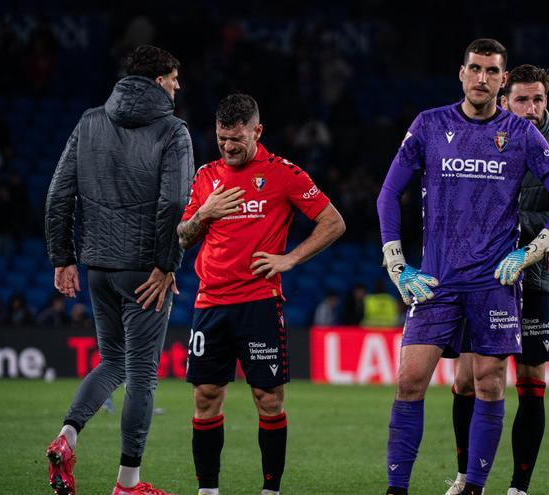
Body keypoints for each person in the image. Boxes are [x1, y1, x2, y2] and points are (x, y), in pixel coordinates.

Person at [377, 39, 549, 495]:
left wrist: (532, 251)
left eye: (492, 71)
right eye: (476, 69)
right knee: (409, 379)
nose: (482, 78)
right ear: (462, 73)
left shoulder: (523, 134)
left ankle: (474, 487)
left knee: (490, 383)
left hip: (494, 283)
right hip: (438, 280)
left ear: (502, 79)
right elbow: (389, 193)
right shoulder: (429, 125)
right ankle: (397, 489)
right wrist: (395, 261)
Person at [177, 93, 345, 495]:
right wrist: (205, 213)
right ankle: (208, 490)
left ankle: (270, 490)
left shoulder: (283, 173)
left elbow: (333, 222)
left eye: (236, 139)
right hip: (210, 303)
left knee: (268, 399)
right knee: (206, 396)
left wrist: (290, 259)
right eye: (222, 139)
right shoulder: (205, 177)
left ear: (257, 131)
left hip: (259, 303)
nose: (229, 147)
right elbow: (183, 239)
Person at [44, 44, 193, 495]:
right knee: (143, 375)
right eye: (173, 78)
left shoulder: (89, 121)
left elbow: (57, 195)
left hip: (98, 268)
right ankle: (127, 484)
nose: (178, 86)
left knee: (112, 362)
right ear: (158, 81)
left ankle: (67, 437)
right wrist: (167, 265)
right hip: (145, 272)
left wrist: (62, 257)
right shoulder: (173, 131)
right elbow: (173, 202)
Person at [445, 64, 549, 495]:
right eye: (523, 99)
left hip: (535, 279)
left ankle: (518, 486)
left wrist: (511, 224)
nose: (532, 108)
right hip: (480, 279)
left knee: (530, 383)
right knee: (467, 380)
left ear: (547, 100)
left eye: (539, 99)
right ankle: (466, 476)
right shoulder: (478, 139)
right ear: (504, 100)